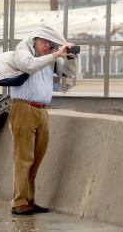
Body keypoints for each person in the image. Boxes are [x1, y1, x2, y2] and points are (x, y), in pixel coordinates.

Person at [8, 25, 77, 215]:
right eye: (44, 42)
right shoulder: (22, 50)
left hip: (41, 110)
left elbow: (68, 75)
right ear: (35, 39)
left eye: (51, 43)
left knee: (36, 158)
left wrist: (69, 58)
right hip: (23, 108)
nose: (48, 46)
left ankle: (29, 200)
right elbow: (29, 65)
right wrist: (55, 55)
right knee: (23, 158)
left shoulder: (49, 57)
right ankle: (19, 202)